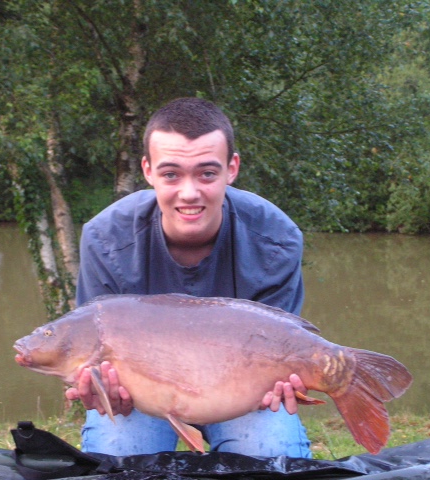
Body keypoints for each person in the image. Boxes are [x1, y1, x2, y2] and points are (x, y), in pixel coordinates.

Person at [65, 97, 312, 458]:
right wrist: (101, 389)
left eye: (207, 173)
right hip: (142, 398)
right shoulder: (105, 239)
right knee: (120, 450)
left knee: (271, 451)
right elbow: (99, 360)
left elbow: (283, 346)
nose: (190, 193)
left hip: (239, 394)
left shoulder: (277, 238)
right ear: (148, 171)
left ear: (233, 168)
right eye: (171, 174)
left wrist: (283, 383)